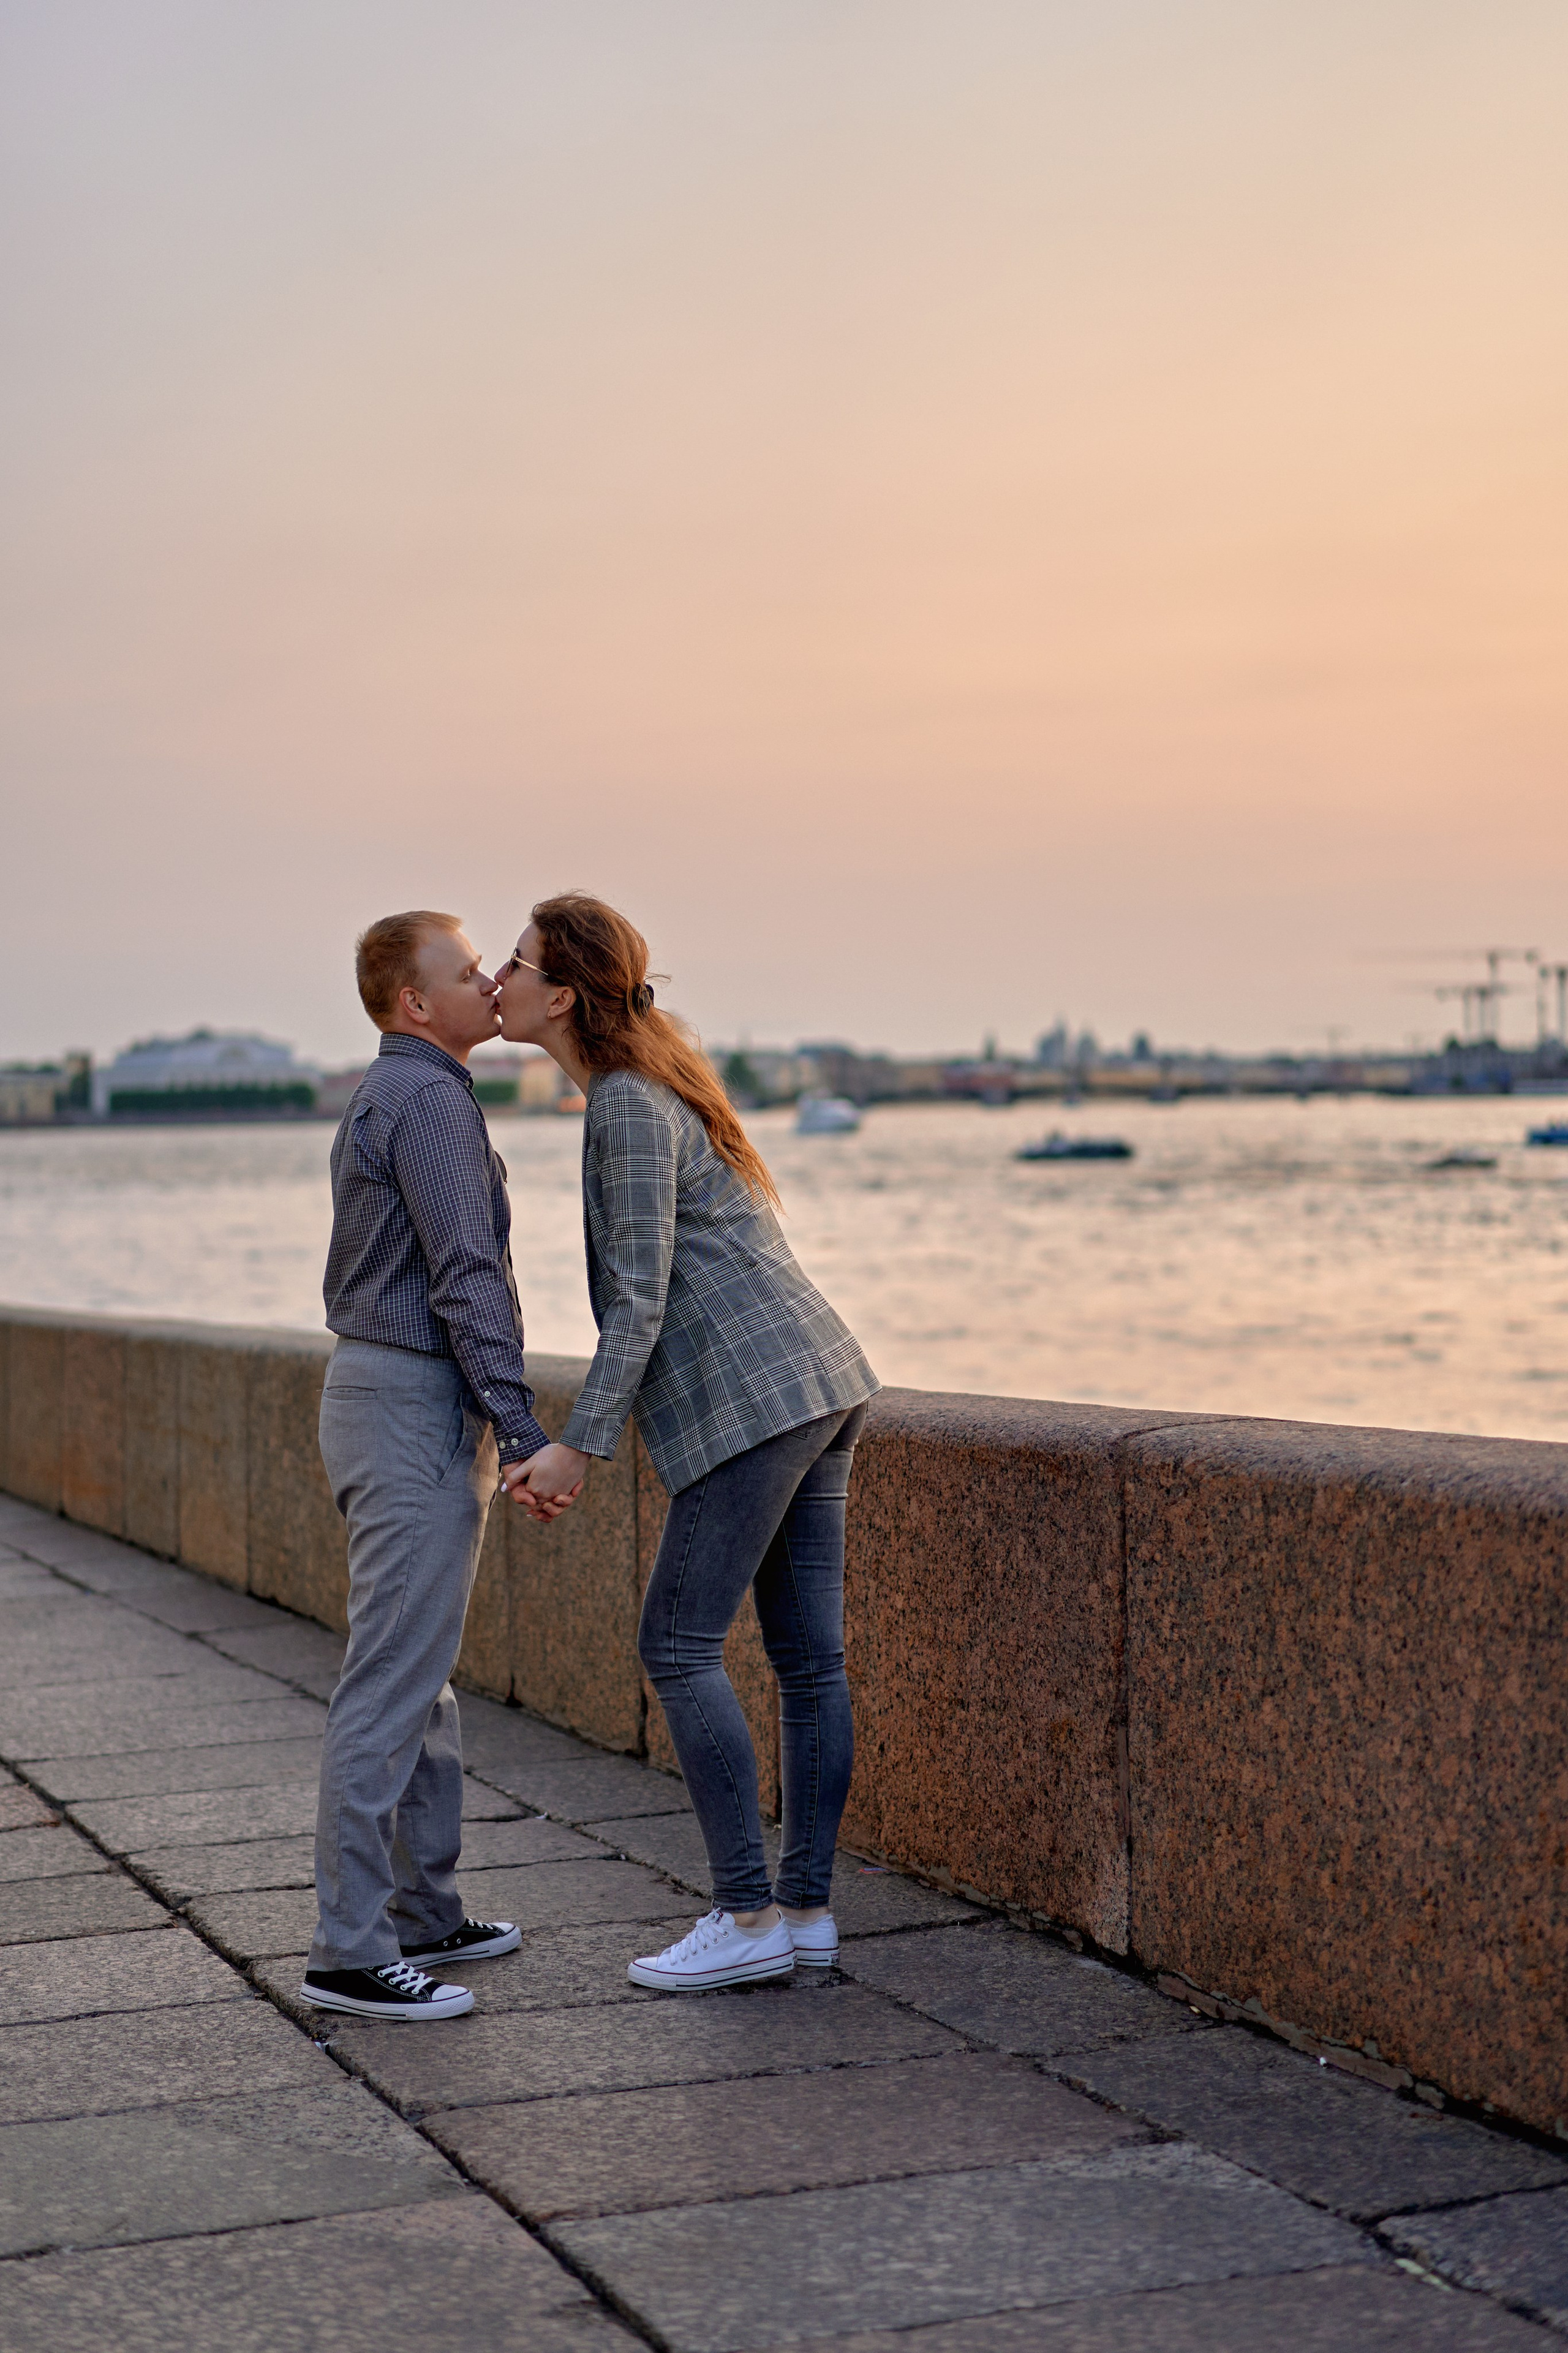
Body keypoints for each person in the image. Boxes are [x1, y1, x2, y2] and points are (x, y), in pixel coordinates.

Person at [496, 892, 878, 1991]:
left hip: (754, 1401)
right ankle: (803, 1909)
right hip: (820, 1375)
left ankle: (746, 1915)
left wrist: (581, 1444)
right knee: (810, 1664)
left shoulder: (620, 1100)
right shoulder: (652, 1076)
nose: (499, 980)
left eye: (514, 964)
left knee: (676, 1645)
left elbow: (641, 1303)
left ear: (561, 993)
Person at [301, 910, 581, 2022]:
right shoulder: (427, 1100)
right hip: (409, 1405)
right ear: (416, 1004)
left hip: (382, 1395)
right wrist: (521, 1432)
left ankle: (424, 1910)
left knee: (420, 1674)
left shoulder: (390, 1091)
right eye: (468, 972)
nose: (488, 982)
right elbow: (468, 1277)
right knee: (392, 1680)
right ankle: (350, 1950)